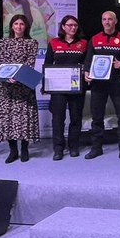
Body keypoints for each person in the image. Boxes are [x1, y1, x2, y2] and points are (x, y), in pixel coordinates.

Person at [83, 11, 120, 159]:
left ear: (115, 21)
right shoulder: (94, 39)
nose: (107, 22)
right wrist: (86, 72)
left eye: (110, 19)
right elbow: (88, 59)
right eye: (104, 19)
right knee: (97, 117)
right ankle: (96, 148)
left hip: (117, 83)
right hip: (98, 84)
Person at [0, 14, 40, 163]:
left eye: (22, 24)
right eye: (16, 24)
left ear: (26, 27)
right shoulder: (4, 42)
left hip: (24, 86)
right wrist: (5, 77)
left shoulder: (32, 43)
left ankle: (25, 149)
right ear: (11, 26)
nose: (19, 26)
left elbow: (30, 64)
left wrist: (17, 77)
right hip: (6, 87)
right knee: (7, 119)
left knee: (24, 118)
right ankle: (13, 150)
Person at [44, 15, 87, 160]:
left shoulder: (83, 43)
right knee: (58, 118)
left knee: (76, 117)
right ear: (63, 27)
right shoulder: (54, 42)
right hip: (58, 87)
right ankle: (58, 148)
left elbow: (87, 64)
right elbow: (47, 64)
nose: (72, 28)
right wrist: (45, 85)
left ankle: (74, 146)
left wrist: (85, 71)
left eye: (75, 25)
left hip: (76, 86)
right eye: (69, 25)